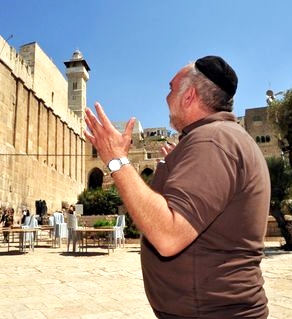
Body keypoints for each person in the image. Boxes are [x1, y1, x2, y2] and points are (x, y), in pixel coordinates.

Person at [84, 56, 270, 318]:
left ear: (189, 96)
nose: (166, 97)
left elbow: (169, 236)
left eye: (172, 88)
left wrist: (117, 161)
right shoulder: (215, 139)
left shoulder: (213, 141)